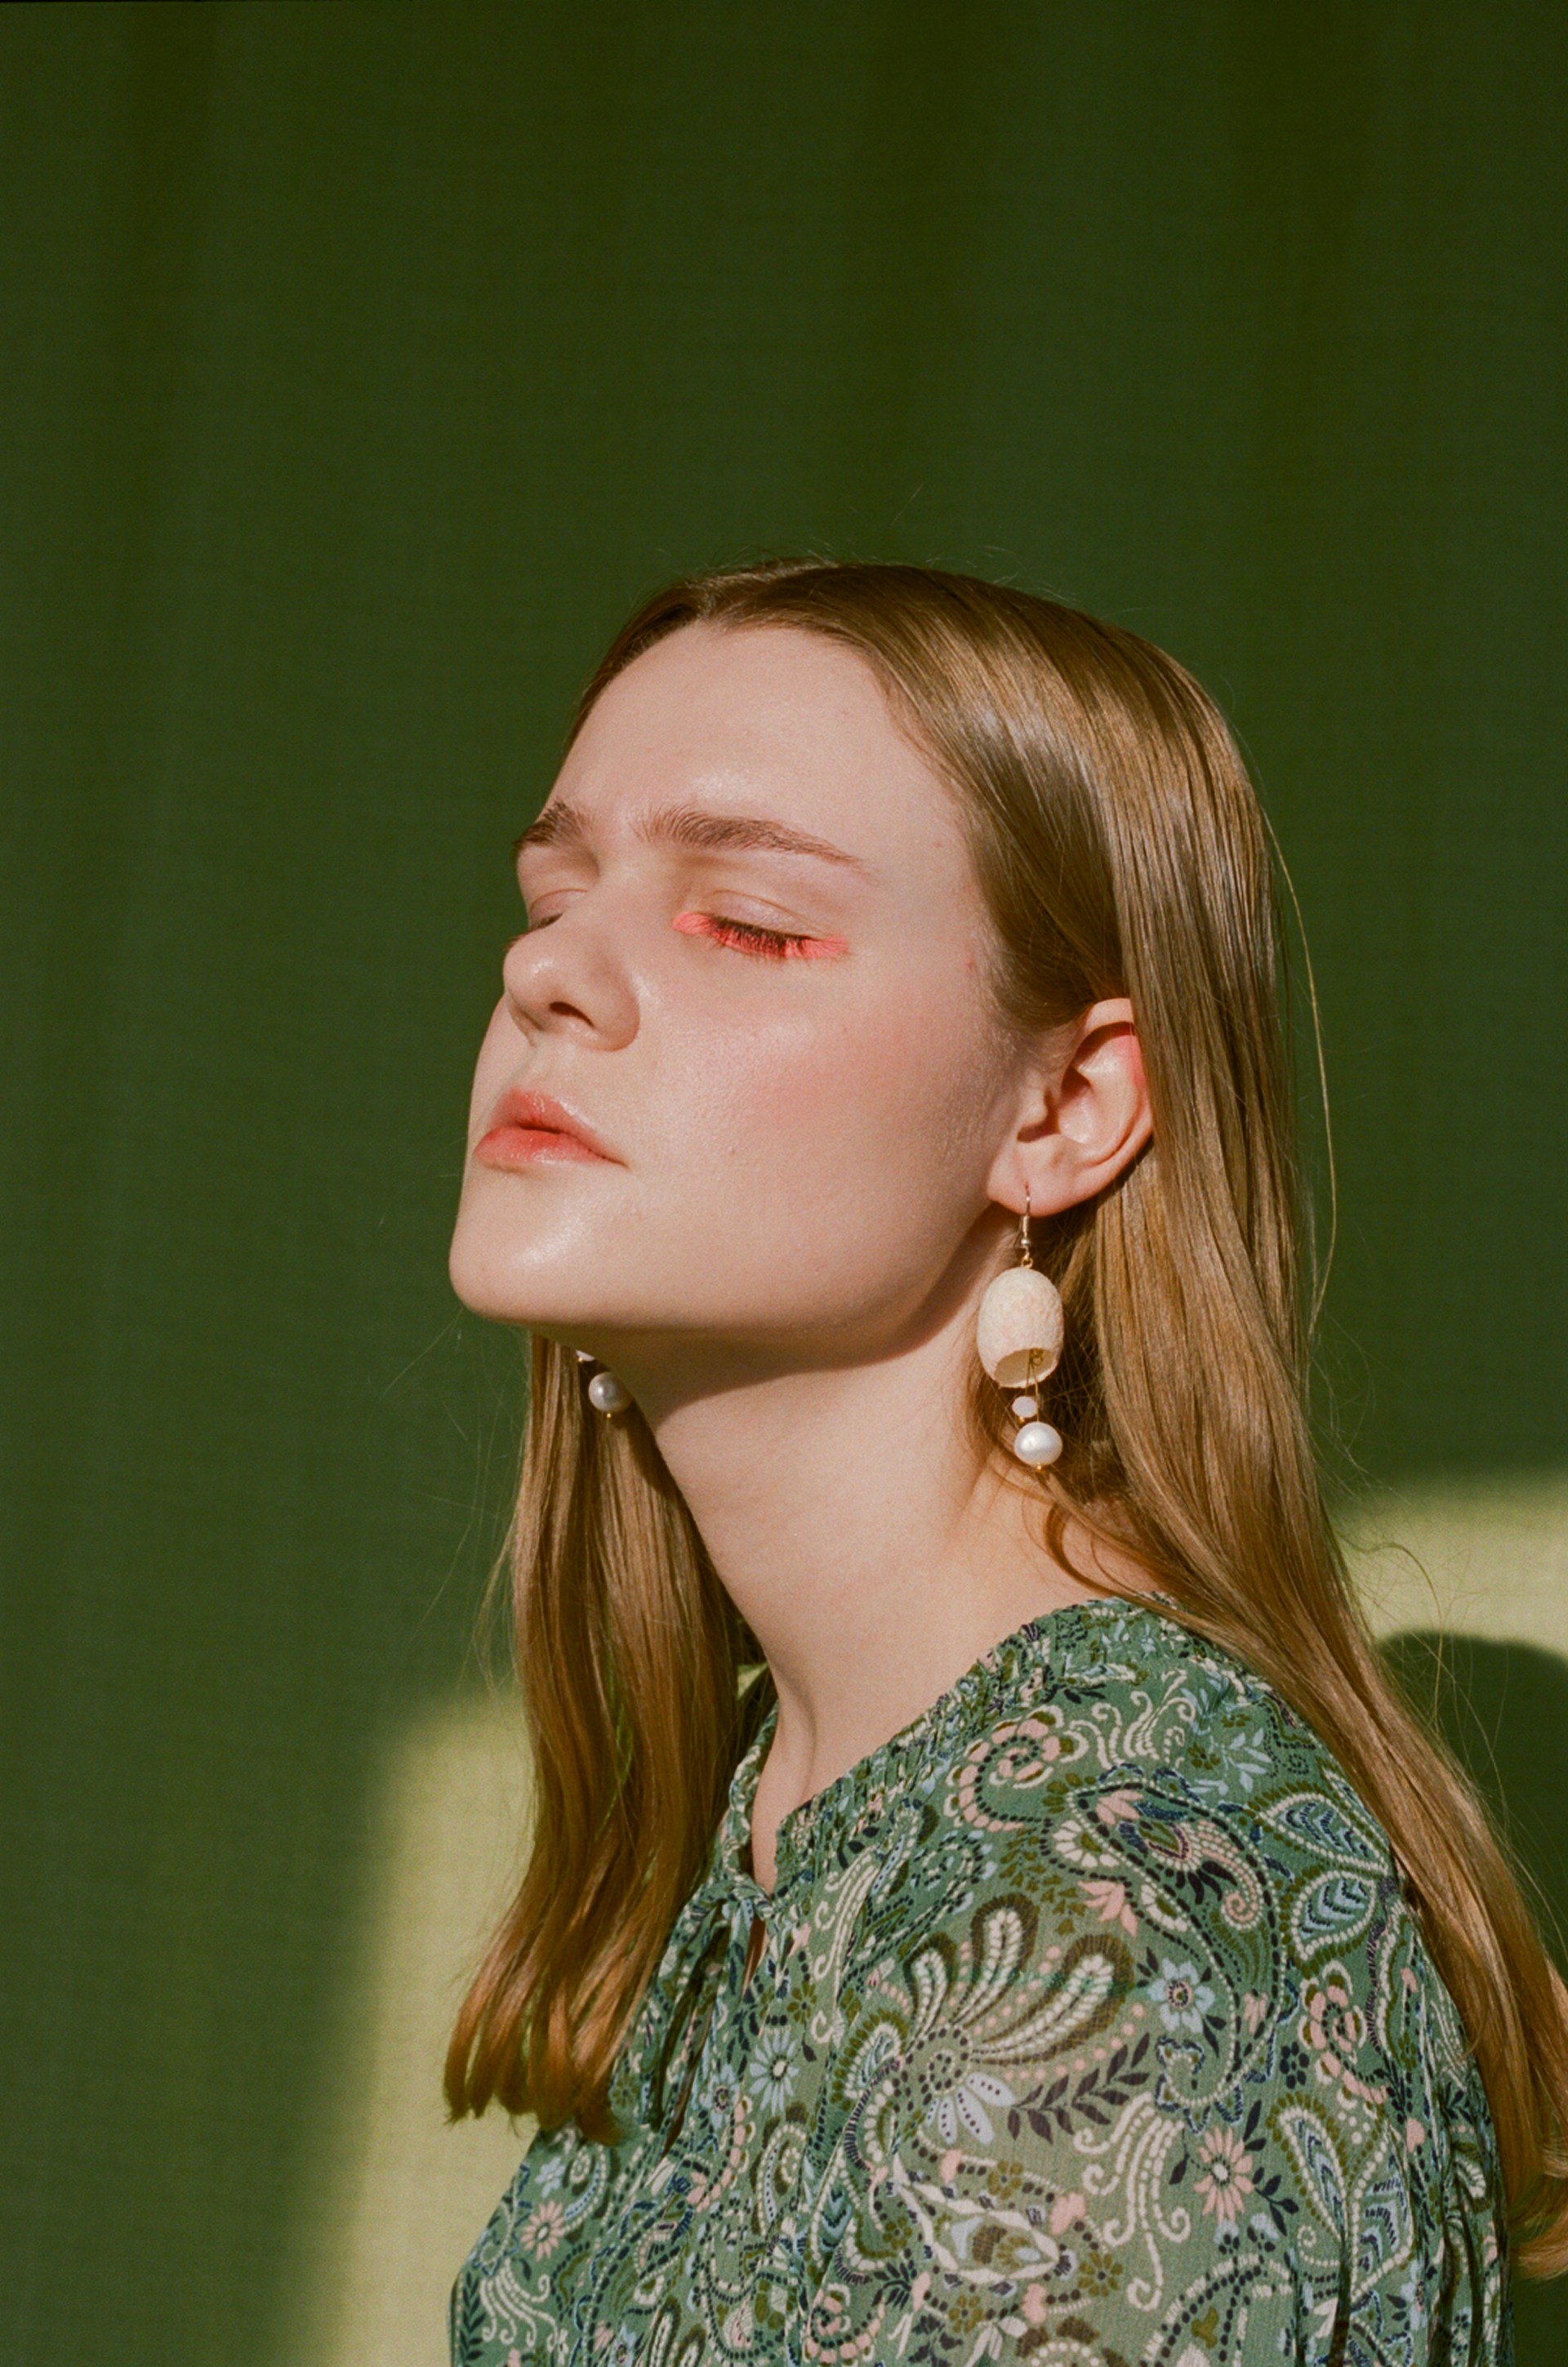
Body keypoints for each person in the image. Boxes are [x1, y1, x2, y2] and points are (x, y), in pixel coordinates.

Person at [441, 559, 1566, 2365]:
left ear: (1065, 1107)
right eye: (555, 893)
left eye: (749, 921)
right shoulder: (787, 1797)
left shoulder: (1117, 1913)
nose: (545, 970)